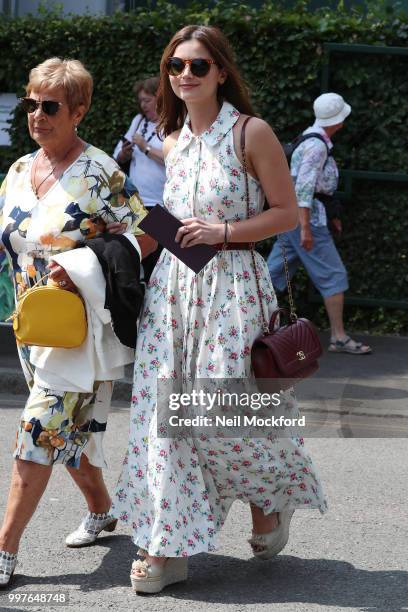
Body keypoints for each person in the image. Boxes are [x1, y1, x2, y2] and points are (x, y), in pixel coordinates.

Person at [112, 25, 328, 595]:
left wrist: (226, 229)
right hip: (174, 292)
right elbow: (178, 225)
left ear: (221, 72)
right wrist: (132, 231)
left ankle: (268, 499)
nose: (185, 74)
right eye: (176, 65)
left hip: (233, 287)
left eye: (199, 66)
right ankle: (166, 547)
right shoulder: (174, 139)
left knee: (223, 414)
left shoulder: (250, 133)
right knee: (166, 422)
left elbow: (286, 213)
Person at [0, 57, 155, 588]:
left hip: (80, 333)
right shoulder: (20, 170)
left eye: (50, 107)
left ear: (79, 111)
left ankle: (5, 550)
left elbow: (157, 229)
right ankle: (102, 509)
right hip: (32, 328)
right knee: (68, 434)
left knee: (38, 429)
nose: (37, 116)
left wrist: (86, 258)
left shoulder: (100, 172)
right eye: (30, 104)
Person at [267, 93, 372, 355]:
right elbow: (304, 187)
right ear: (339, 120)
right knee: (334, 275)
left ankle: (247, 329)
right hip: (307, 220)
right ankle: (338, 337)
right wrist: (305, 228)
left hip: (292, 218)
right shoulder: (317, 146)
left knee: (271, 275)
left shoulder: (308, 137)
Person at [113, 76, 166, 282]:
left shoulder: (175, 124)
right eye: (141, 101)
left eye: (147, 100)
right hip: (136, 205)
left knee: (160, 264)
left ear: (160, 99)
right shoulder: (138, 121)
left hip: (162, 207)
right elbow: (116, 156)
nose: (143, 105)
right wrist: (123, 155)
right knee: (137, 261)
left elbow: (174, 160)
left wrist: (145, 147)